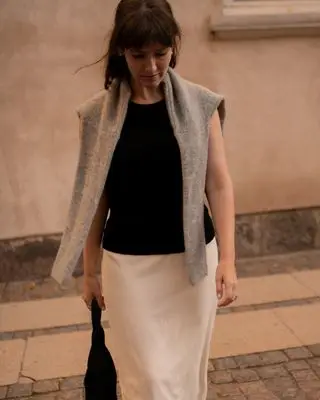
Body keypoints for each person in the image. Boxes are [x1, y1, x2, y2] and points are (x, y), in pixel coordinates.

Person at [51, 0, 238, 399]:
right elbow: (93, 198)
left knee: (185, 381)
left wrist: (228, 260)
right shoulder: (96, 117)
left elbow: (218, 185)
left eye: (161, 53)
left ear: (174, 47)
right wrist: (90, 269)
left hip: (191, 267)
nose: (152, 66)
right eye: (139, 55)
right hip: (129, 269)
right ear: (122, 50)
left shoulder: (202, 106)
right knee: (149, 381)